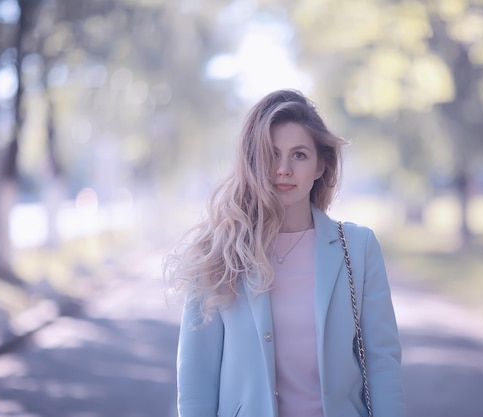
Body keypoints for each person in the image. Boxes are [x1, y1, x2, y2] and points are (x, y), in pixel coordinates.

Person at [164, 89, 405, 417]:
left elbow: (382, 363)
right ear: (253, 161)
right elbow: (196, 380)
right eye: (271, 154)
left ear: (321, 164)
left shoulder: (359, 248)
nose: (283, 169)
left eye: (299, 155)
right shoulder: (218, 251)